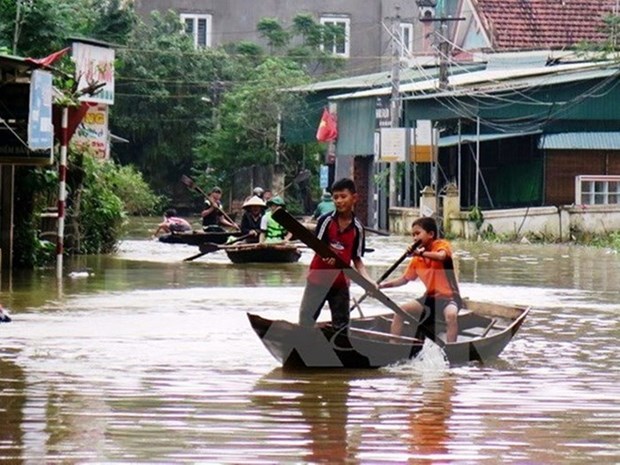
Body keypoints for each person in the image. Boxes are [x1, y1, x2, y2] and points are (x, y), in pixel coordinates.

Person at [298, 178, 372, 331]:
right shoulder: (326, 221)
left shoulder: (358, 228)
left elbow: (356, 258)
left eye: (343, 196)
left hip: (340, 283)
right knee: (306, 320)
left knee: (341, 328)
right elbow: (318, 247)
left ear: (354, 198)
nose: (339, 201)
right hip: (317, 281)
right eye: (335, 197)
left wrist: (368, 280)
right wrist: (328, 257)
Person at [378, 216, 462, 342]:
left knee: (451, 316)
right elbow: (404, 279)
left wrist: (420, 253)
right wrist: (381, 286)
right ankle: (393, 343)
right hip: (429, 299)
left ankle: (451, 349)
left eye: (418, 233)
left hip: (449, 298)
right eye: (413, 235)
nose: (415, 238)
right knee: (400, 310)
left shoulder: (441, 245)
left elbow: (441, 256)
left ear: (431, 234)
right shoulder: (417, 259)